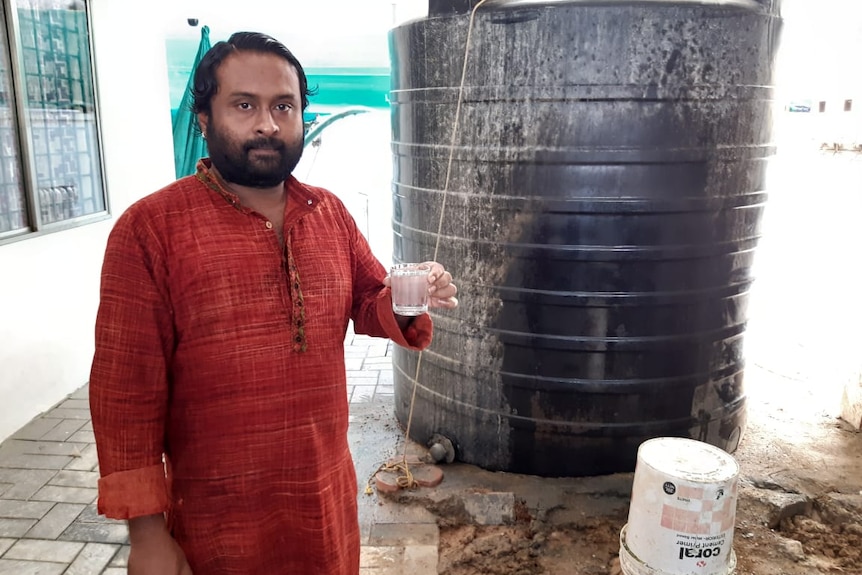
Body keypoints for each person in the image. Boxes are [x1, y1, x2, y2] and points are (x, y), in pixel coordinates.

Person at [89, 31, 458, 575]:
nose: (267, 124)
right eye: (244, 105)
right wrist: (147, 536)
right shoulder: (150, 230)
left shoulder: (329, 214)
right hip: (216, 524)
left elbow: (368, 299)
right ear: (203, 119)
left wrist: (410, 297)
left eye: (283, 106)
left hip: (325, 508)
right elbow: (125, 397)